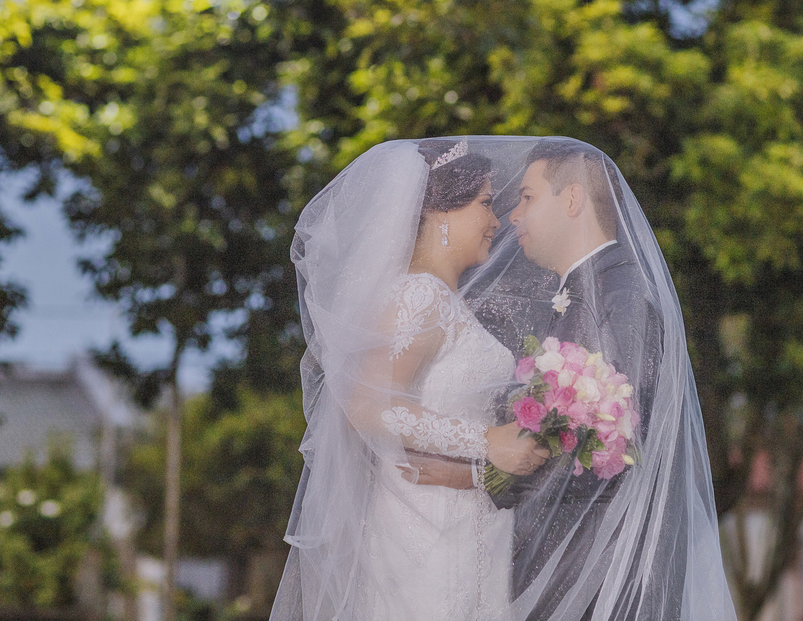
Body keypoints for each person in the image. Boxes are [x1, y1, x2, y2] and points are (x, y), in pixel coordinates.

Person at [409, 138, 737, 620]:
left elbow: (610, 445)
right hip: (562, 562)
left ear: (572, 200)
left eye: (527, 197)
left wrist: (474, 475)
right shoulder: (586, 293)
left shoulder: (622, 296)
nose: (513, 215)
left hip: (596, 570)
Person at [269, 138, 548, 621]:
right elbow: (367, 406)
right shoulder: (418, 297)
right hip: (423, 528)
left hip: (469, 522)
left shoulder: (447, 300)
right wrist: (488, 440)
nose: (496, 221)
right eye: (485, 203)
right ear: (441, 212)